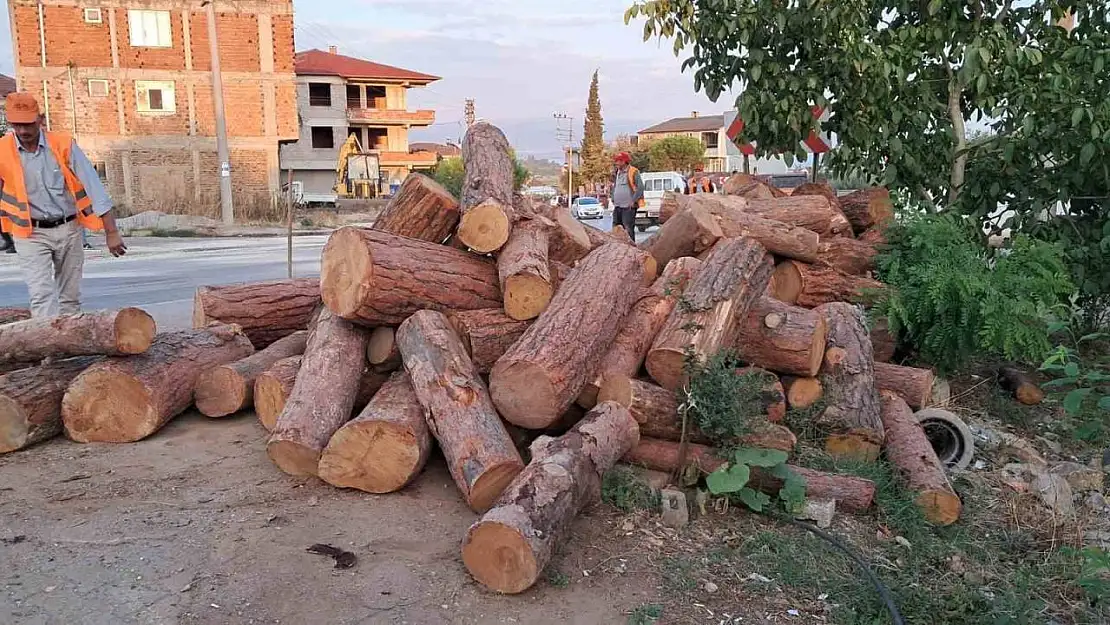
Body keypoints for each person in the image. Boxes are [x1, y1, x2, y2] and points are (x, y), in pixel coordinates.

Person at [0, 92, 126, 318]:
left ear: (40, 119)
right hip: (29, 233)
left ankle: (69, 346)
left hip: (69, 229)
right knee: (41, 295)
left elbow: (94, 186)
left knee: (70, 297)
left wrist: (112, 231)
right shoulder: (2, 150)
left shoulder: (63, 144)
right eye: (17, 125)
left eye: (28, 124)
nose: (23, 131)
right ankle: (47, 349)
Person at [610, 152, 644, 235]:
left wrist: (633, 201)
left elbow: (640, 187)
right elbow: (614, 186)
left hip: (628, 207)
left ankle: (630, 247)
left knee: (628, 229)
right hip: (617, 206)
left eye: (618, 161)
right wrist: (613, 197)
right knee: (616, 229)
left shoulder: (633, 171)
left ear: (624, 161)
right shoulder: (616, 172)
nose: (616, 163)